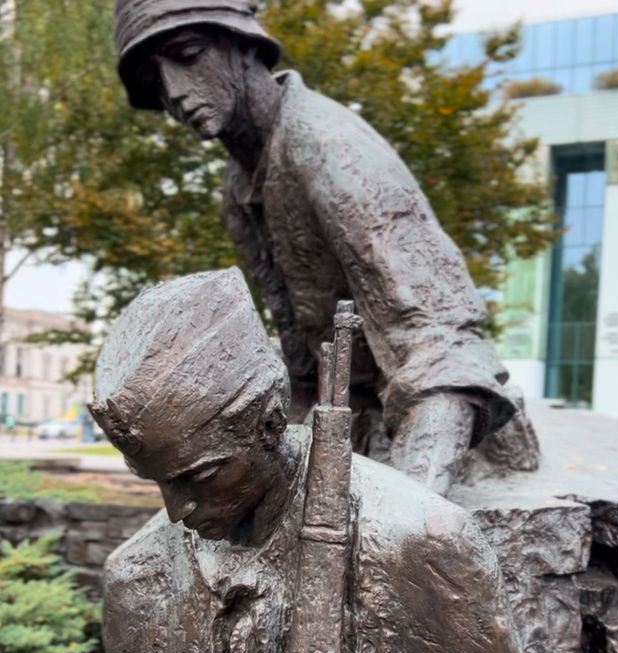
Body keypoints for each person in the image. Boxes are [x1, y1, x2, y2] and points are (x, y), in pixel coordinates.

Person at [89, 267, 581, 653]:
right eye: (158, 481)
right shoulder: (138, 578)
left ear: (270, 423)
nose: (178, 510)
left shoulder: (423, 548)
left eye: (201, 474)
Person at [112, 0, 538, 497]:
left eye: (188, 54)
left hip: (442, 439)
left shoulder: (330, 148)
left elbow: (445, 350)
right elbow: (303, 365)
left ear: (244, 46)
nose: (175, 93)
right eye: (154, 82)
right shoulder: (238, 187)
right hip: (348, 428)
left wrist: (412, 517)